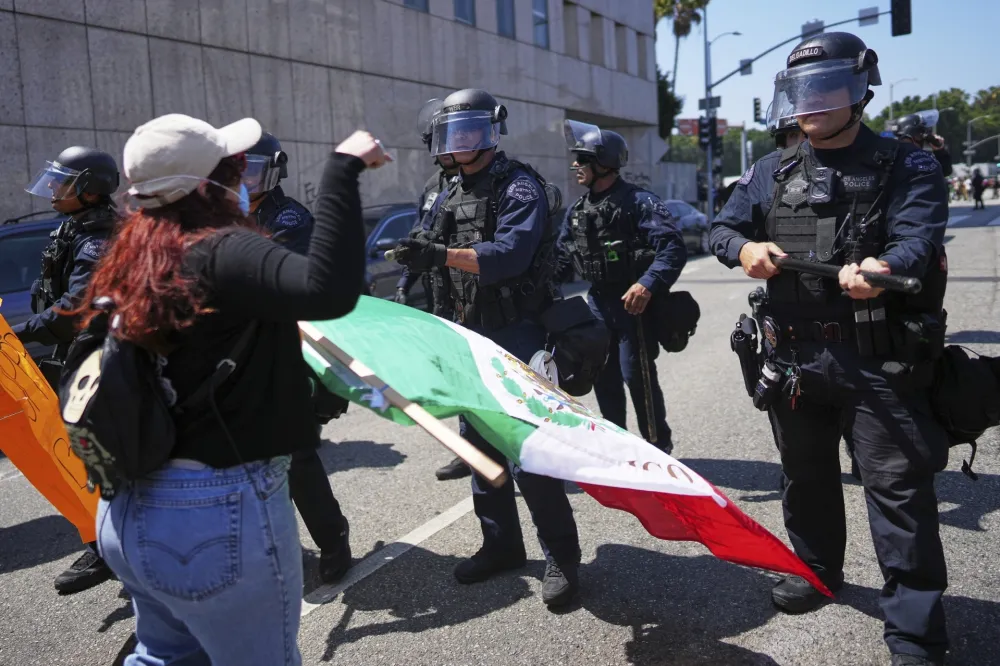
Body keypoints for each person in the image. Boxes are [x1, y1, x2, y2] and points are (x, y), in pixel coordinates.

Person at [81, 112, 389, 664]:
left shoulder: (136, 253)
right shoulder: (221, 248)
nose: (242, 180)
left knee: (163, 655)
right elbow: (327, 290)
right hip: (211, 510)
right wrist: (343, 170)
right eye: (236, 168)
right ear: (208, 185)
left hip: (124, 506)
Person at [710, 33, 950, 666]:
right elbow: (721, 227)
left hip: (872, 354)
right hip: (791, 355)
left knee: (896, 488)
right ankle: (817, 571)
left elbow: (918, 240)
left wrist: (882, 263)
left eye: (825, 89)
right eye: (799, 92)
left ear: (860, 89)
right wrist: (743, 250)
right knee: (805, 475)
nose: (809, 104)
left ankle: (916, 633)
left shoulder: (908, 165)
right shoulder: (772, 170)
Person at [391, 88, 582, 607]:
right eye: (451, 134)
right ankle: (501, 547)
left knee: (528, 453)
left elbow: (510, 255)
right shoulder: (440, 189)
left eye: (471, 132)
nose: (460, 144)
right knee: (478, 450)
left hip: (515, 331)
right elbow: (422, 245)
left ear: (491, 132)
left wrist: (440, 256)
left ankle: (562, 558)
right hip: (460, 330)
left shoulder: (518, 186)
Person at [244, 131, 353, 584]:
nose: (240, 179)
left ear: (271, 170)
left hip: (287, 352)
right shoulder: (222, 217)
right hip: (239, 355)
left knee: (297, 458)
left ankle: (333, 540)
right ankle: (271, 546)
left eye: (249, 169)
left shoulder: (289, 218)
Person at [12, 146, 120, 595]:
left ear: (91, 190)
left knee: (106, 458)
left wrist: (14, 336)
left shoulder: (101, 236)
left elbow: (73, 310)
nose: (53, 189)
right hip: (77, 359)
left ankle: (114, 549)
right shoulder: (75, 226)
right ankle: (110, 544)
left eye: (63, 181)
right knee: (88, 456)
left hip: (104, 362)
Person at [556, 120, 686, 453]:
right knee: (603, 379)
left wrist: (647, 284)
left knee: (637, 377)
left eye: (582, 160)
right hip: (598, 305)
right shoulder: (577, 211)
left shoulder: (639, 202)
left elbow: (672, 247)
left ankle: (659, 448)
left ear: (604, 163)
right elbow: (558, 259)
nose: (576, 166)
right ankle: (618, 449)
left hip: (634, 307)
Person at [394, 98, 469, 482]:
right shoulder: (432, 186)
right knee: (455, 377)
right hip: (441, 295)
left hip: (474, 292)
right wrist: (404, 284)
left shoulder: (480, 181)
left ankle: (508, 451)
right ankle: (467, 449)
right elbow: (419, 236)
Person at [891, 112, 953, 177]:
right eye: (920, 134)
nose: (924, 139)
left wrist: (940, 151)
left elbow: (945, 171)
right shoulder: (893, 158)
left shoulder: (922, 157)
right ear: (910, 135)